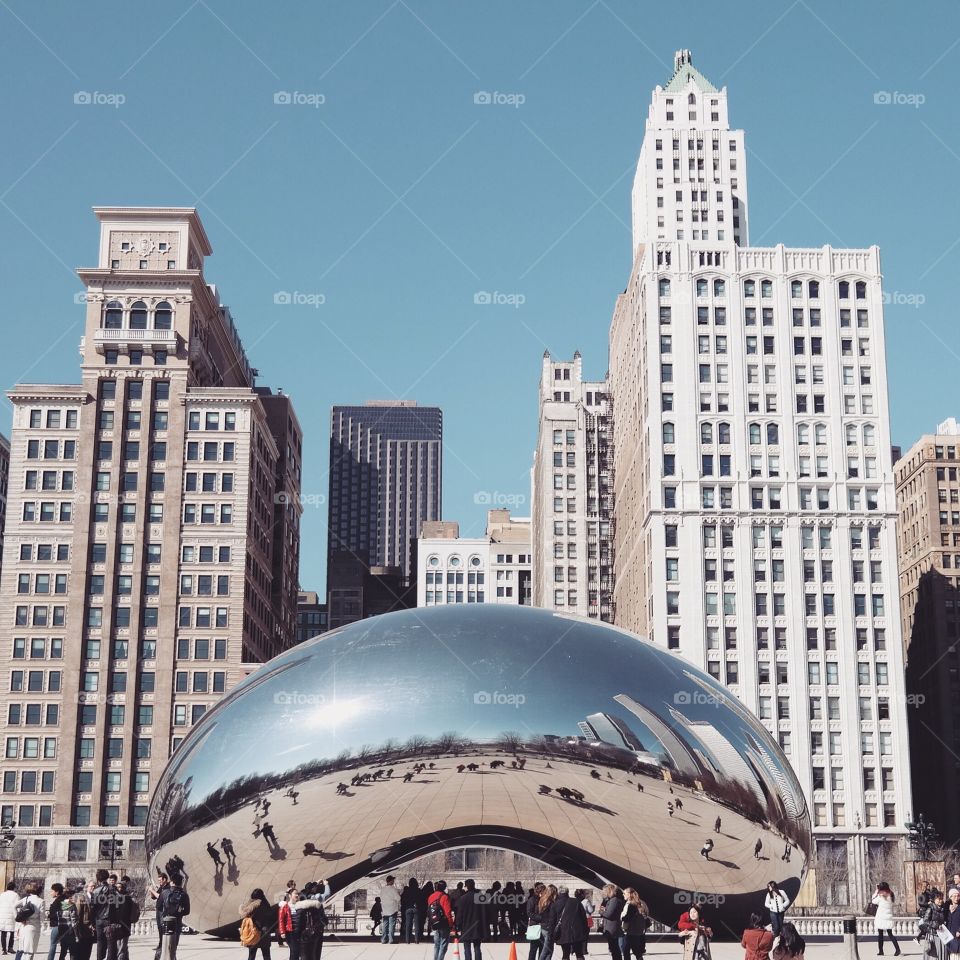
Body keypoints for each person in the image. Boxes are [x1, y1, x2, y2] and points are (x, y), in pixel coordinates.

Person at [158, 874, 189, 960]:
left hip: (165, 923)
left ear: (171, 882)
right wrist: (178, 913)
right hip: (177, 923)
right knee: (173, 946)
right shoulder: (184, 895)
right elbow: (187, 911)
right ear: (181, 882)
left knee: (164, 946)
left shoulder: (164, 892)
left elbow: (158, 906)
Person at [240, 889, 277, 960]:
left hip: (254, 933)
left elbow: (245, 914)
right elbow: (270, 917)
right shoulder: (266, 904)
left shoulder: (252, 906)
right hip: (265, 933)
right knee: (266, 955)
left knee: (251, 955)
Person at [292, 887, 327, 960]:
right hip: (317, 935)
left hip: (305, 936)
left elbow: (298, 925)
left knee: (305, 956)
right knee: (315, 956)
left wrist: (295, 937)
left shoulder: (300, 908)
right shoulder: (318, 907)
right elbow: (325, 921)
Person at [454, 880, 485, 960]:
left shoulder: (462, 898)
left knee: (467, 947)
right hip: (478, 926)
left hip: (466, 926)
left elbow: (459, 914)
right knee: (477, 947)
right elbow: (484, 913)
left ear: (466, 887)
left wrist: (458, 925)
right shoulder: (480, 897)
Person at [555, 887, 589, 960]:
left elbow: (553, 919)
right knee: (579, 954)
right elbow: (583, 917)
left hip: (563, 932)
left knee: (565, 954)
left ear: (559, 893)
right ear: (567, 892)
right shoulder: (576, 901)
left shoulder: (556, 903)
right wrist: (585, 929)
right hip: (576, 932)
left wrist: (552, 933)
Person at [12, 883, 43, 960]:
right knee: (29, 952)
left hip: (23, 926)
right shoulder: (41, 901)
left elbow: (14, 906)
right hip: (34, 927)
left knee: (21, 950)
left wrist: (18, 918)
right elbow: (42, 918)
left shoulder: (25, 899)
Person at [65, 886, 96, 960]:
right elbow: (76, 916)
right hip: (80, 930)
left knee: (78, 952)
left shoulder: (67, 902)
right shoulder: (78, 900)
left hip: (79, 930)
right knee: (81, 952)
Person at [427, 881, 454, 960]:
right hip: (444, 923)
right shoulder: (444, 897)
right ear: (444, 887)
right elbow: (447, 911)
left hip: (434, 922)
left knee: (437, 944)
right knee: (443, 944)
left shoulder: (431, 896)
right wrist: (451, 924)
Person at [872, 882, 901, 956]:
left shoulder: (881, 896)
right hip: (888, 917)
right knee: (890, 934)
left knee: (880, 934)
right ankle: (897, 949)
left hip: (881, 917)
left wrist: (875, 892)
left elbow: (873, 901)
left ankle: (881, 951)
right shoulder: (891, 895)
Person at [619, 889, 649, 960]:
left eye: (624, 893)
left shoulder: (631, 904)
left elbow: (627, 917)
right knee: (636, 950)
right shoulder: (641, 902)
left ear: (629, 894)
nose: (623, 895)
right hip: (638, 930)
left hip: (630, 930)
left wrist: (621, 917)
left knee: (626, 950)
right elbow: (647, 913)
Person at [599, 885, 624, 960]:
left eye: (605, 891)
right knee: (614, 949)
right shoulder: (612, 900)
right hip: (612, 927)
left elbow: (608, 914)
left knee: (614, 949)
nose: (603, 893)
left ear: (609, 891)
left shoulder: (614, 900)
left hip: (612, 928)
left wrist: (601, 911)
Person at [47, 885, 71, 960]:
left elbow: (57, 913)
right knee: (64, 945)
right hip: (65, 925)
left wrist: (49, 915)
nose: (51, 893)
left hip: (57, 925)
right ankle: (61, 958)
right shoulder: (65, 900)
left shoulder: (58, 901)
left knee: (53, 944)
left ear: (56, 892)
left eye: (52, 891)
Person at [920, 892, 946, 960]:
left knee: (940, 952)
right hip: (932, 934)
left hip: (941, 934)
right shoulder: (930, 908)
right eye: (938, 899)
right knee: (933, 954)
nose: (940, 900)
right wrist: (936, 925)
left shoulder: (943, 909)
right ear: (934, 900)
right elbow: (925, 920)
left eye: (941, 899)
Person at [379, 877, 401, 945]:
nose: (393, 881)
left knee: (385, 925)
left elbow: (381, 898)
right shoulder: (393, 889)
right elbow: (398, 898)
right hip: (392, 909)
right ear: (391, 881)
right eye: (393, 880)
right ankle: (391, 940)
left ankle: (383, 939)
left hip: (385, 909)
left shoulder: (382, 889)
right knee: (391, 925)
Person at [527, 884, 546, 960]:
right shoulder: (532, 900)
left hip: (543, 926)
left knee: (542, 947)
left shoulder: (544, 900)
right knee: (533, 948)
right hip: (535, 925)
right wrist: (541, 918)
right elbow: (529, 913)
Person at [278, 891, 299, 960]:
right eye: (295, 893)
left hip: (298, 931)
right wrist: (282, 932)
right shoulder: (285, 907)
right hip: (290, 932)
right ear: (290, 895)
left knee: (295, 952)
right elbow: (281, 920)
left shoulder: (299, 905)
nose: (297, 895)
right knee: (294, 950)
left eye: (297, 894)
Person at [401, 879, 421, 945]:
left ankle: (407, 940)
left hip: (408, 908)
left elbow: (402, 899)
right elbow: (422, 899)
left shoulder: (406, 891)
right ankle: (417, 940)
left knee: (408, 924)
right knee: (417, 925)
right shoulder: (418, 890)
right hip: (416, 908)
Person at [0, 883, 17, 956]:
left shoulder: (2, 894)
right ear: (14, 888)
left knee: (3, 933)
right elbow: (17, 905)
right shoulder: (15, 895)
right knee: (12, 932)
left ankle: (4, 950)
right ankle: (10, 948)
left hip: (2, 915)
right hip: (11, 915)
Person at [944, 888, 960, 956]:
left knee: (957, 952)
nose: (957, 898)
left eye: (958, 896)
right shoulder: (946, 907)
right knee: (949, 951)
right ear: (950, 897)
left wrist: (959, 930)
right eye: (954, 896)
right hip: (949, 933)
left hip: (957, 933)